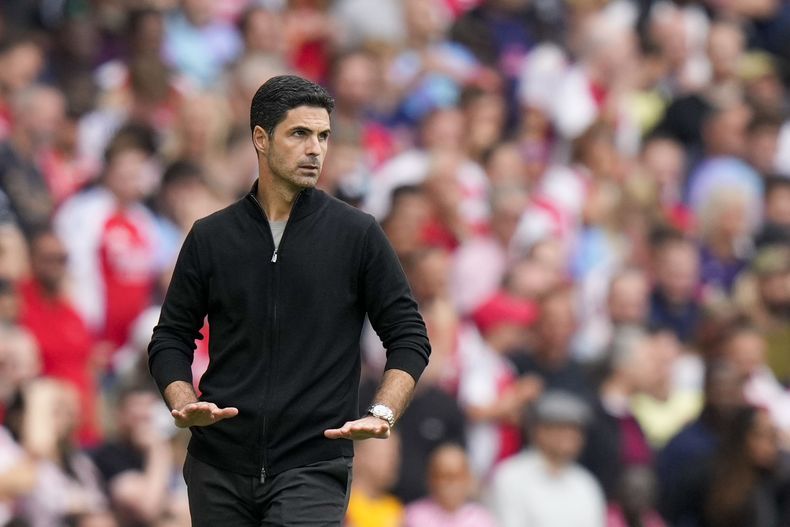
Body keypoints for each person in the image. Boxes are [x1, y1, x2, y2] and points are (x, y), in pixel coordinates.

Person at [148, 75, 431, 526]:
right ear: (261, 138)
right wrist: (184, 402)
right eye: (300, 133)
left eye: (323, 136)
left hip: (314, 466)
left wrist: (383, 410)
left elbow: (410, 336)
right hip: (217, 466)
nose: (316, 148)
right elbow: (170, 338)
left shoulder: (357, 234)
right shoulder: (211, 236)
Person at [488, 390, 606, 527]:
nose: (571, 437)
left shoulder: (585, 483)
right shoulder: (511, 476)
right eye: (562, 428)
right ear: (538, 431)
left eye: (576, 430)